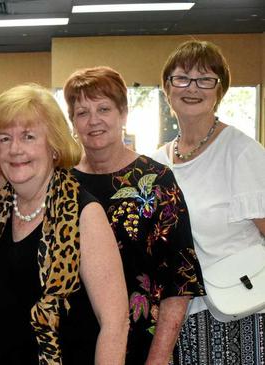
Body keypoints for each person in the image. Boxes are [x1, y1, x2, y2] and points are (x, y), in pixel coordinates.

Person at [0, 83, 129, 365]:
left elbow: (115, 323)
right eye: (5, 138)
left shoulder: (85, 214)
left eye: (28, 136)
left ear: (54, 147)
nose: (14, 149)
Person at [64, 66, 206, 364]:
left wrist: (157, 359)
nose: (93, 121)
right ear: (72, 121)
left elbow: (179, 284)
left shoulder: (157, 181)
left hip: (140, 345)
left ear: (123, 113)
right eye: (82, 112)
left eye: (104, 108)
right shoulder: (62, 185)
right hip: (69, 345)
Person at [152, 40, 265, 364]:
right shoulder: (158, 161)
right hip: (182, 317)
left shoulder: (241, 152)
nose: (192, 88)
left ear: (220, 89)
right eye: (182, 78)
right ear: (167, 88)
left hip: (242, 311)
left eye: (205, 79)